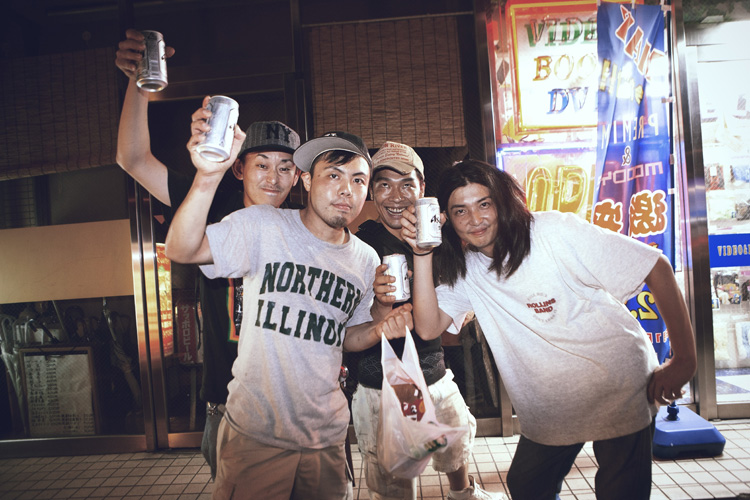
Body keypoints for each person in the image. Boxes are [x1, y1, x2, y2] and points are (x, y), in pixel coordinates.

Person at [400, 160, 698, 500]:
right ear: (447, 220)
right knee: (527, 485)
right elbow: (428, 328)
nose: (475, 219)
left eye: (484, 204)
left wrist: (685, 359)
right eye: (460, 211)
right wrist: (421, 253)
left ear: (502, 201)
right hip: (549, 405)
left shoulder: (553, 231)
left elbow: (655, 266)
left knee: (620, 490)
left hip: (616, 382)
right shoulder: (468, 269)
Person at [165, 119, 414, 498]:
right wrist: (207, 175)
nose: (346, 190)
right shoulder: (264, 225)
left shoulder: (365, 258)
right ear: (307, 179)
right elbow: (181, 249)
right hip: (255, 436)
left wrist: (380, 322)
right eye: (333, 175)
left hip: (327, 439)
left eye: (359, 180)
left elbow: (347, 337)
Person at [115, 29, 302, 480]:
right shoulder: (211, 205)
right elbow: (133, 159)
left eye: (285, 167)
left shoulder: (303, 227)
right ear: (239, 167)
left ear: (298, 177)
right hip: (227, 401)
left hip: (296, 404)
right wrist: (138, 85)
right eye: (261, 164)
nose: (273, 178)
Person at [353, 142, 505, 500]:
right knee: (396, 476)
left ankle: (463, 494)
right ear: (372, 192)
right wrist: (377, 302)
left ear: (421, 188)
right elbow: (349, 322)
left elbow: (465, 292)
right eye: (384, 184)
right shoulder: (359, 246)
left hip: (433, 370)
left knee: (455, 445)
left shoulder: (444, 240)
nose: (396, 195)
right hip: (384, 382)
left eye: (407, 184)